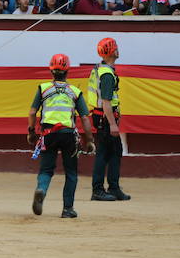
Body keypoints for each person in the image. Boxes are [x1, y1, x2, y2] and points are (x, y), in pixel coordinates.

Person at [28, 53, 95, 219]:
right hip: (68, 136)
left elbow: (32, 112)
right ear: (68, 70)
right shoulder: (75, 91)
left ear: (51, 70)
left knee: (46, 170)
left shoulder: (43, 89)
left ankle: (42, 189)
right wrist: (90, 140)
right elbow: (85, 118)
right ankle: (68, 209)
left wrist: (31, 132)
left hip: (48, 134)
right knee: (71, 172)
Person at [87, 37, 129, 201]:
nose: (118, 49)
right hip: (105, 118)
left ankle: (113, 187)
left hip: (101, 117)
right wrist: (112, 124)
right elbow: (106, 102)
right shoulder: (107, 75)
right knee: (105, 153)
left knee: (113, 152)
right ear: (111, 51)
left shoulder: (101, 69)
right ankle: (99, 190)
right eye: (116, 47)